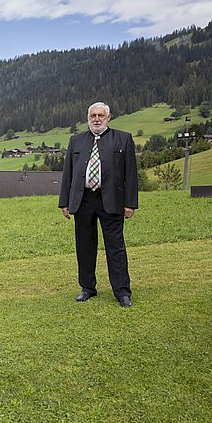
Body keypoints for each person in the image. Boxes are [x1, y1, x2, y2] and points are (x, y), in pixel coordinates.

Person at [59, 102, 138, 307]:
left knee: (115, 247)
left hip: (111, 200)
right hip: (82, 200)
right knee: (84, 247)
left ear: (108, 118)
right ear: (88, 117)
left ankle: (122, 292)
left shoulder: (123, 139)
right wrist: (64, 202)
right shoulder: (76, 140)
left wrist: (130, 203)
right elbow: (68, 173)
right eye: (93, 115)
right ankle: (87, 288)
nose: (96, 119)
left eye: (100, 115)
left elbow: (130, 175)